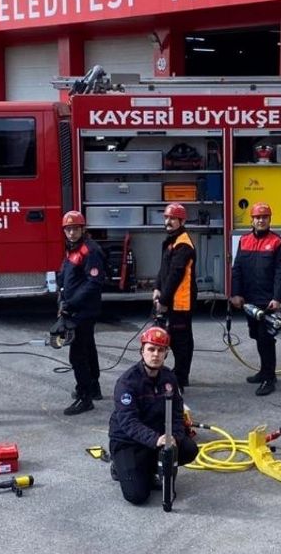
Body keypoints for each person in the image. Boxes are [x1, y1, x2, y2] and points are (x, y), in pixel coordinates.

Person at [108, 326, 199, 505]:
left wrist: (175, 437)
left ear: (166, 353)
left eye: (161, 350)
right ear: (142, 351)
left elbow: (177, 413)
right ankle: (118, 467)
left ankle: (150, 467)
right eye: (151, 349)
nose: (155, 354)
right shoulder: (127, 383)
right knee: (137, 496)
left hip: (157, 436)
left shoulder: (169, 379)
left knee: (189, 448)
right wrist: (156, 440)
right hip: (128, 442)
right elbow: (129, 422)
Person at [229, 201, 281, 396]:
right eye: (257, 217)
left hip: (267, 301)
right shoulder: (244, 240)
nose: (261, 220)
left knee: (266, 339)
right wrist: (236, 293)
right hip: (249, 301)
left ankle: (269, 378)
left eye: (264, 217)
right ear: (252, 220)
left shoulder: (278, 243)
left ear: (270, 219)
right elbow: (237, 269)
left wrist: (277, 298)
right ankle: (264, 371)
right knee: (256, 335)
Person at [57, 210, 105, 416]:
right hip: (75, 308)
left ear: (83, 229)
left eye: (75, 228)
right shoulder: (73, 249)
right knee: (88, 348)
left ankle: (85, 397)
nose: (71, 232)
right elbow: (66, 276)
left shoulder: (90, 251)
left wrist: (71, 304)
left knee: (77, 355)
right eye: (68, 229)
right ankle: (93, 388)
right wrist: (61, 297)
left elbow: (94, 282)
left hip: (83, 310)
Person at [153, 202, 195, 388]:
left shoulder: (183, 245)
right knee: (179, 339)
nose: (168, 221)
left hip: (181, 302)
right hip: (174, 300)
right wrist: (156, 287)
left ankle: (181, 377)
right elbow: (164, 270)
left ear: (182, 221)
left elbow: (175, 275)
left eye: (173, 218)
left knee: (181, 342)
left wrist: (163, 300)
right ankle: (180, 374)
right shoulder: (172, 241)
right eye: (167, 218)